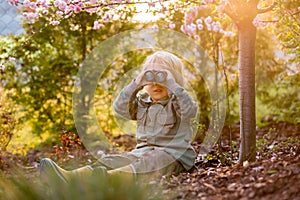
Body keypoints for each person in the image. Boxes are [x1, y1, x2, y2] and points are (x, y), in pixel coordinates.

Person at [40, 50, 198, 183]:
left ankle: (103, 180)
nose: (156, 83)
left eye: (162, 77)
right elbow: (119, 107)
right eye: (151, 78)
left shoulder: (177, 101)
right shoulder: (142, 103)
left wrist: (172, 85)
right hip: (141, 153)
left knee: (152, 161)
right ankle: (71, 178)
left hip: (174, 156)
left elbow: (189, 111)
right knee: (112, 160)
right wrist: (135, 83)